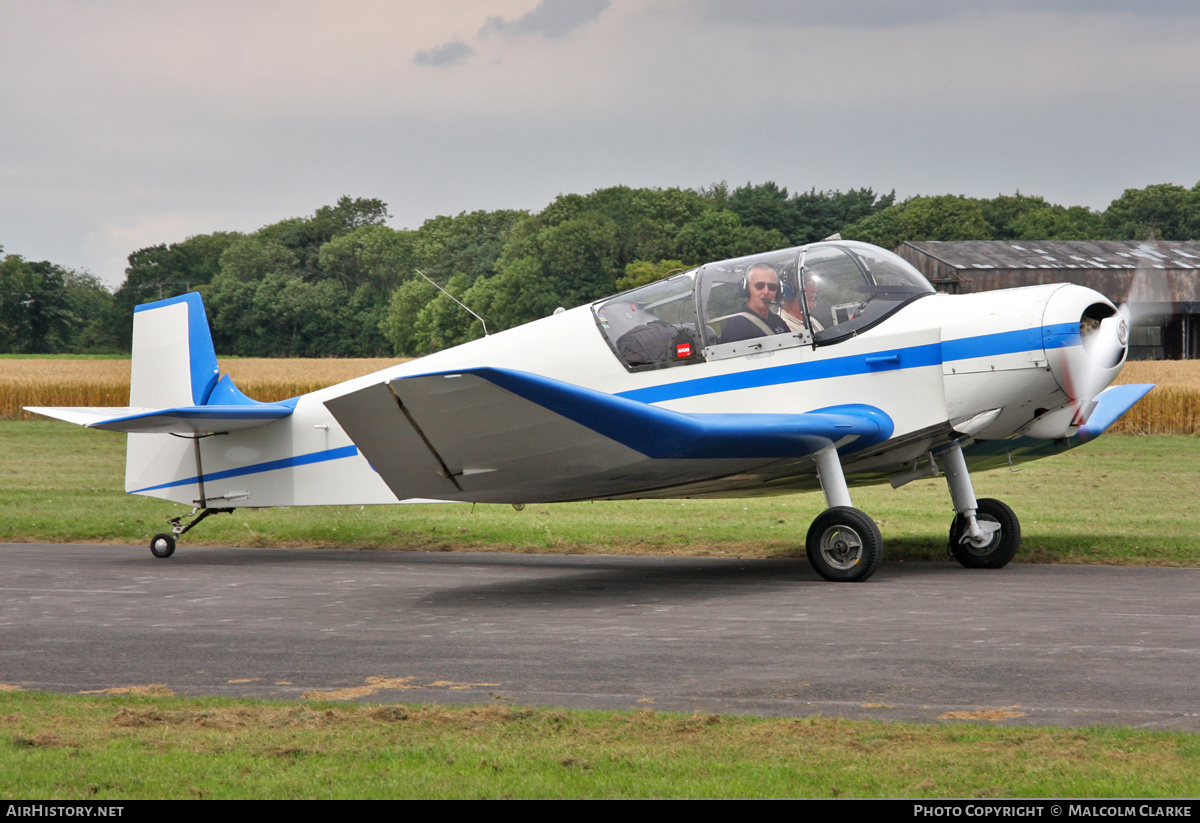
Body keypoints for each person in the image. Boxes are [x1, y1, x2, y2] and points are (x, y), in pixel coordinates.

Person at [718, 263, 790, 343]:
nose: (766, 291)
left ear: (779, 290)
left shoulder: (778, 321)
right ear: (746, 288)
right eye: (759, 286)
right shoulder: (736, 327)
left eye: (772, 287)